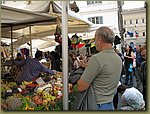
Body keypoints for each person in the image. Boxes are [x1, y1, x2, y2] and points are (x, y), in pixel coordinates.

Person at [77, 26, 122, 110]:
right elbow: (104, 73)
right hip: (110, 103)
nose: (95, 42)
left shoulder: (97, 59)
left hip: (97, 104)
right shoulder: (118, 58)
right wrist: (88, 67)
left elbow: (81, 86)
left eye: (95, 39)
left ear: (99, 39)